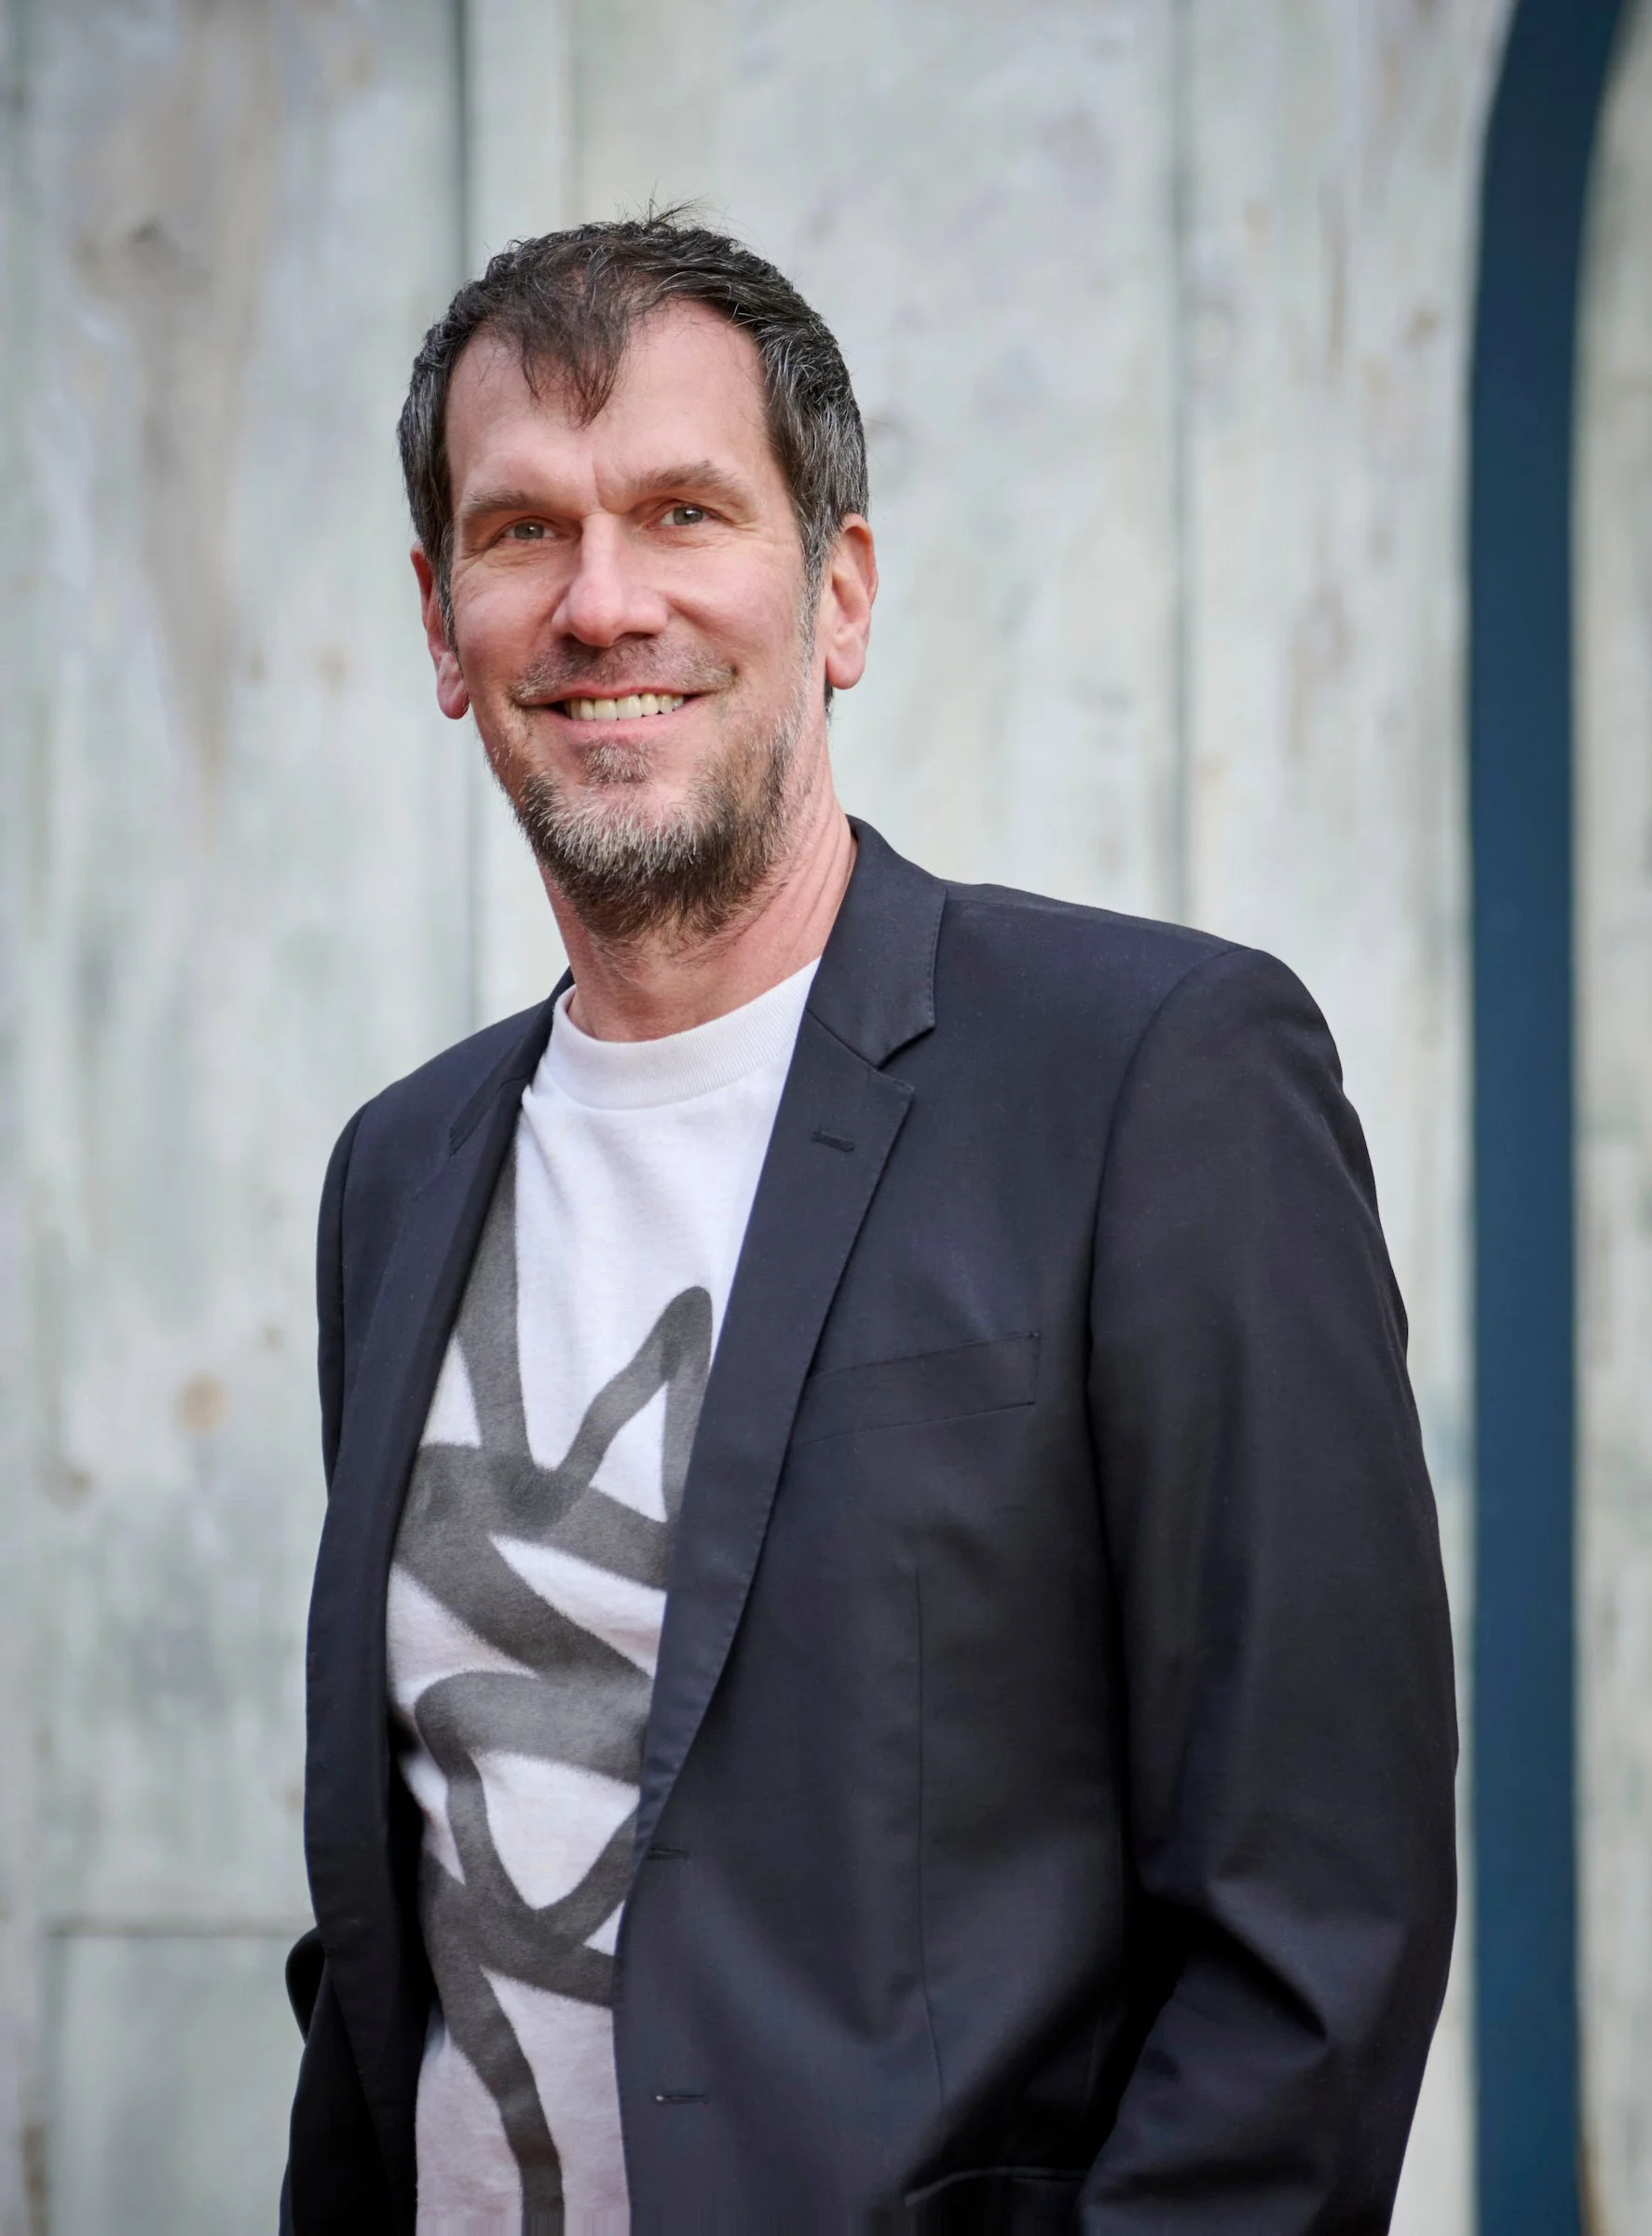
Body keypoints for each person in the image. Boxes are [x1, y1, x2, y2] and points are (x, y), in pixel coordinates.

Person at [281, 215, 1457, 2234]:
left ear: (838, 591)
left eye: (681, 510)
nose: (601, 600)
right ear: (438, 618)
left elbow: (1314, 1942)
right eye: (520, 533)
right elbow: (405, 1911)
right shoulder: (401, 1169)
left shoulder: (1150, 1079)